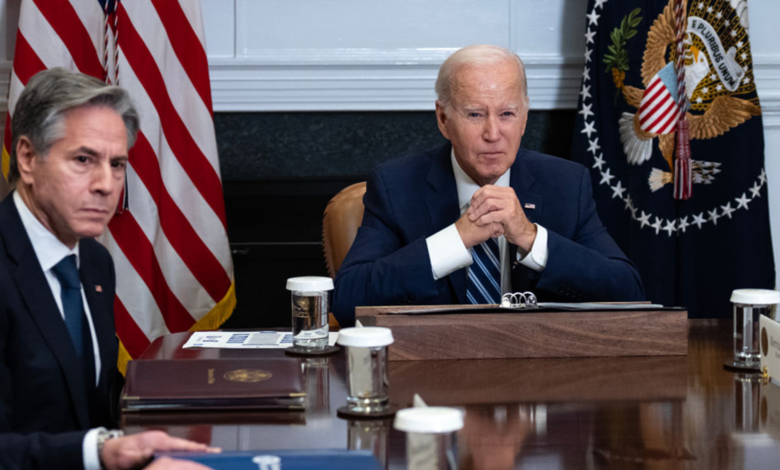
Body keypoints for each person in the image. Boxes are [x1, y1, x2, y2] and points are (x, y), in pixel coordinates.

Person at [333, 45, 644, 325]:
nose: (493, 133)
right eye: (475, 114)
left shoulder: (565, 184)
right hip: (433, 374)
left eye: (507, 114)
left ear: (524, 119)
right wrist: (456, 239)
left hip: (539, 374)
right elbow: (348, 301)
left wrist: (530, 237)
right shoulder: (396, 185)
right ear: (443, 119)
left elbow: (628, 292)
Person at [0, 68, 216, 470]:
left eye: (117, 164)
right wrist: (100, 452)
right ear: (27, 159)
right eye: (84, 160)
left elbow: (90, 415)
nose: (106, 184)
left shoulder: (94, 262)